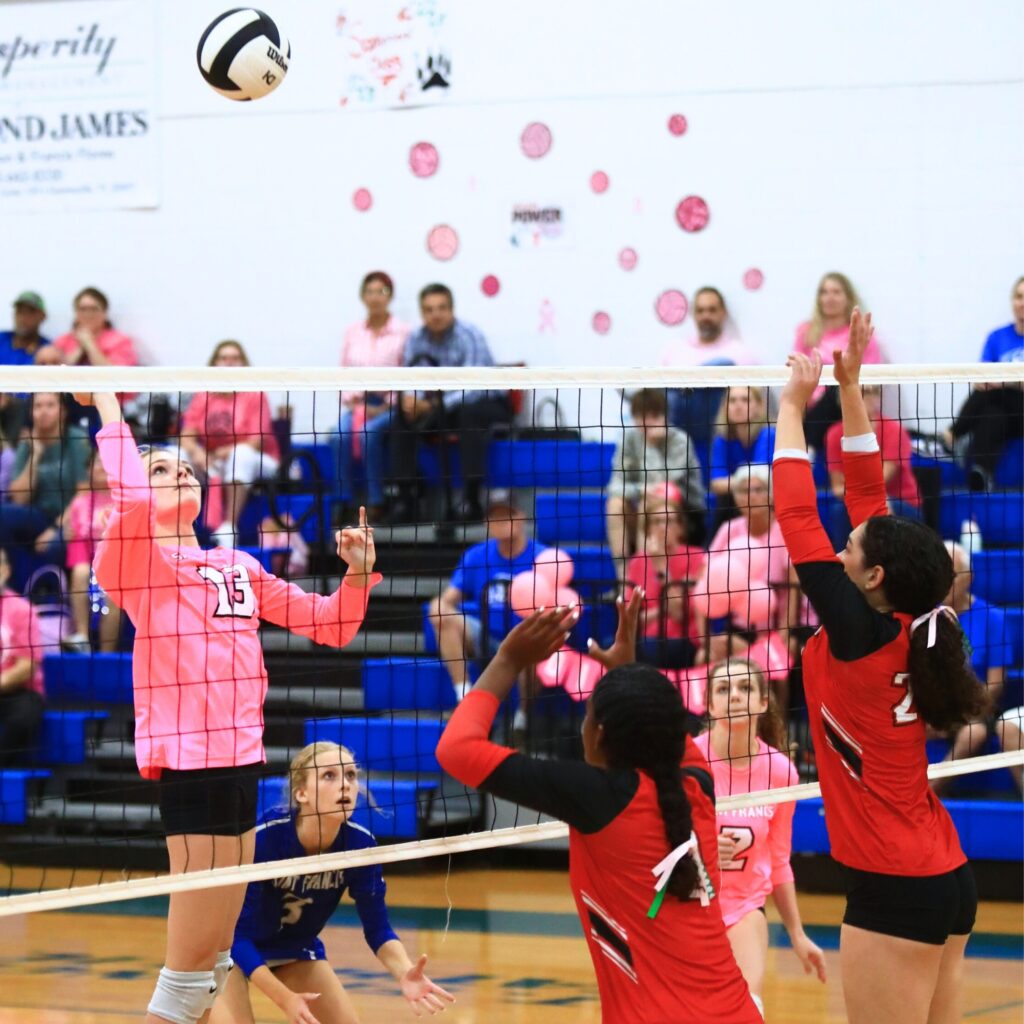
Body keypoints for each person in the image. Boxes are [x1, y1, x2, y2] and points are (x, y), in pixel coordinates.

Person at [83, 388, 380, 1024]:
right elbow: (131, 498)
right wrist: (107, 406)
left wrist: (355, 574)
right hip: (192, 768)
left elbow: (329, 625)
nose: (179, 472)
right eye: (160, 468)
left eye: (183, 465)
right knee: (185, 971)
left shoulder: (237, 564)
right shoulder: (135, 561)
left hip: (243, 762)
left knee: (216, 962)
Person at [774, 309, 988, 1024]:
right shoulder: (915, 616)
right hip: (944, 874)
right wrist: (853, 385)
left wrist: (792, 409)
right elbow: (868, 496)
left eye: (852, 548)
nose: (843, 546)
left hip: (895, 885)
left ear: (871, 578)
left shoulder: (859, 633)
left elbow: (799, 517)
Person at [436, 594, 763, 1023]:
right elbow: (663, 725)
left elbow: (456, 750)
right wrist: (627, 674)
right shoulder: (698, 784)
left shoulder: (597, 798)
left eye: (588, 716)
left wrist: (508, 660)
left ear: (600, 733)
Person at [210, 741, 454, 1024]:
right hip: (229, 949)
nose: (345, 785)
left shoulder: (360, 847)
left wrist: (404, 971)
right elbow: (236, 936)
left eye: (350, 775)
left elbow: (378, 930)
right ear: (301, 793)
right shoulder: (264, 840)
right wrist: (284, 997)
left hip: (293, 948)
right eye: (330, 776)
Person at [694, 659, 826, 1009]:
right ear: (709, 704)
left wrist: (797, 933)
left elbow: (779, 860)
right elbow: (655, 839)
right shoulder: (687, 761)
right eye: (723, 689)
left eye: (745, 688)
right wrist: (701, 848)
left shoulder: (780, 771)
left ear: (762, 702)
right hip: (687, 904)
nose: (735, 696)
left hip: (743, 906)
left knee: (745, 1007)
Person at [389, 284, 511, 523]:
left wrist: (433, 406)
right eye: (429, 309)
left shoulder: (469, 335)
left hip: (485, 400)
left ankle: (472, 499)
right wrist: (413, 401)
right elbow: (412, 376)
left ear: (451, 309)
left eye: (442, 308)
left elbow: (473, 386)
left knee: (469, 415)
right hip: (440, 406)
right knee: (400, 418)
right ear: (422, 313)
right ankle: (406, 498)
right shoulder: (416, 338)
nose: (436, 314)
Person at [427, 490, 542, 703]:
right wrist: (438, 606)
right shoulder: (477, 555)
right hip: (487, 637)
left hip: (526, 639)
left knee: (536, 642)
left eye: (508, 514)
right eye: (496, 516)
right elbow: (447, 599)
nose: (502, 521)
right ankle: (464, 696)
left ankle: (522, 722)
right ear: (487, 522)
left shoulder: (542, 557)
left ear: (521, 516)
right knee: (439, 610)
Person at [180, 340, 281, 545]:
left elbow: (255, 442)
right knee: (177, 456)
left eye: (235, 358)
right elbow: (186, 436)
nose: (229, 363)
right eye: (224, 358)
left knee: (240, 455)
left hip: (258, 460)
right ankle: (177, 527)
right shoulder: (203, 395)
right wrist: (197, 453)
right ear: (214, 363)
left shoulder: (255, 394)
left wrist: (217, 455)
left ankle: (228, 527)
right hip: (212, 460)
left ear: (244, 364)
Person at [930, 541, 1010, 795]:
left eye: (952, 575)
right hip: (931, 705)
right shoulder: (925, 615)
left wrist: (962, 713)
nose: (945, 582)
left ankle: (928, 793)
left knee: (974, 733)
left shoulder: (992, 617)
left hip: (973, 709)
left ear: (970, 578)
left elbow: (995, 682)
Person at [333, 271, 411, 520]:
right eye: (370, 292)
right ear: (362, 296)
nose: (375, 297)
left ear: (390, 296)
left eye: (382, 292)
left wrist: (387, 404)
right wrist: (355, 400)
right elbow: (344, 371)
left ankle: (376, 500)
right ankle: (344, 499)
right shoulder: (352, 332)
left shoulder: (404, 332)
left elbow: (409, 374)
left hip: (390, 407)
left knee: (370, 434)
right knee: (338, 436)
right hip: (358, 404)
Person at [606, 388, 704, 585]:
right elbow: (615, 485)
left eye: (652, 416)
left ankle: (647, 580)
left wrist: (650, 445)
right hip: (651, 507)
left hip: (686, 512)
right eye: (640, 417)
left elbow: (663, 484)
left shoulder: (679, 440)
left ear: (663, 416)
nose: (646, 423)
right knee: (615, 505)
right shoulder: (629, 440)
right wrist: (641, 490)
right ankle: (625, 580)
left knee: (649, 503)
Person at [1, 391, 91, 587]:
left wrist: (54, 529)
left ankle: (50, 595)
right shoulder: (29, 441)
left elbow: (83, 493)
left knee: (54, 546)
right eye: (38, 406)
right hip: (40, 514)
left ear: (63, 411)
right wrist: (36, 456)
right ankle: (15, 592)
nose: (43, 412)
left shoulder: (75, 438)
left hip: (72, 517)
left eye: (50, 405)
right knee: (3, 516)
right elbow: (19, 499)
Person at [947, 276, 1024, 491]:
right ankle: (982, 475)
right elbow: (983, 378)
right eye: (1019, 296)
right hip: (1005, 414)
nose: (1022, 302)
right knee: (993, 414)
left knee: (999, 395)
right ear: (1012, 301)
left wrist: (1003, 381)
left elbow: (994, 381)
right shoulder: (997, 337)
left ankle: (952, 434)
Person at [792, 273, 885, 452]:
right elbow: (798, 370)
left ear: (848, 297)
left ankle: (808, 448)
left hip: (850, 400)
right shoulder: (806, 332)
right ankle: (807, 448)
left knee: (838, 385)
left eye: (836, 292)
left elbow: (870, 380)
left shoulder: (859, 334)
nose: (829, 298)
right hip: (813, 406)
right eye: (824, 292)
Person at [659, 287, 757, 455]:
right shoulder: (674, 351)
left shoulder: (740, 354)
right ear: (693, 314)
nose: (706, 316)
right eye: (700, 310)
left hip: (723, 435)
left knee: (724, 364)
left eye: (712, 310)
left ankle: (688, 384)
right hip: (680, 437)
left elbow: (755, 401)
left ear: (723, 313)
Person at [824, 384, 920, 546]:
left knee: (884, 510)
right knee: (839, 511)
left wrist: (854, 490)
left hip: (900, 501)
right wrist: (857, 495)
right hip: (856, 500)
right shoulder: (834, 434)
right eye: (861, 392)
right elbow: (837, 488)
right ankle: (844, 568)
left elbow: (880, 482)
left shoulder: (893, 430)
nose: (865, 398)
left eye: (870, 392)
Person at [627, 490, 705, 669]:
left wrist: (661, 566)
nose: (663, 527)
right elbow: (632, 618)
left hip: (684, 639)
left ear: (680, 527)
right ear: (648, 529)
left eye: (669, 521)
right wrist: (664, 610)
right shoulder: (638, 561)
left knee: (650, 652)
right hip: (646, 638)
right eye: (657, 522)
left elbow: (679, 613)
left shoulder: (696, 557)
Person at [62, 452, 120, 653]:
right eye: (97, 463)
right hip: (87, 558)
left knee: (114, 593)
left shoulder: (123, 500)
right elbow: (75, 537)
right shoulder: (81, 502)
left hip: (117, 560)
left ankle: (107, 652)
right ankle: (82, 636)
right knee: (80, 572)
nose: (103, 467)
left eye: (107, 463)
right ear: (88, 470)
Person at [0, 547, 43, 767]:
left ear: (6, 571)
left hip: (19, 691)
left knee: (24, 718)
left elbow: (27, 666)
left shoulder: (21, 609)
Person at [709, 386, 775, 527]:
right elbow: (717, 483)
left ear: (759, 406)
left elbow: (760, 479)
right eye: (732, 401)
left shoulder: (768, 433)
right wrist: (744, 483)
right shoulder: (721, 439)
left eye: (745, 400)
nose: (738, 406)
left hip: (768, 501)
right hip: (736, 501)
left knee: (752, 493)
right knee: (725, 500)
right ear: (725, 407)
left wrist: (736, 483)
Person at [51, 287, 139, 368]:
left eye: (94, 309)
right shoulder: (62, 341)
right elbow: (56, 373)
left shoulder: (120, 341)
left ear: (105, 313)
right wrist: (80, 349)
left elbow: (115, 375)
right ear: (76, 313)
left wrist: (90, 344)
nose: (88, 314)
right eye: (83, 309)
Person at [0, 290, 51, 366]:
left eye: (30, 312)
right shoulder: (2, 339)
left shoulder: (47, 351)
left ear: (42, 316)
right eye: (19, 311)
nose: (22, 318)